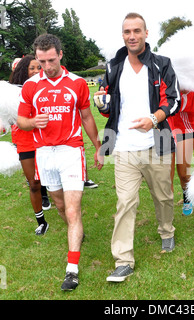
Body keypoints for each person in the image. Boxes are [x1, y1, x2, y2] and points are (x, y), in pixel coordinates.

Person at [95, 12, 181, 282]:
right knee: (125, 202)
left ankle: (167, 231)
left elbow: (175, 100)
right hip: (123, 147)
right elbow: (108, 106)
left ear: (146, 34)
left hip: (158, 143)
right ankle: (123, 259)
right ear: (123, 35)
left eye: (136, 31)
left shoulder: (161, 64)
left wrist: (154, 119)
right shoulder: (113, 66)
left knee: (164, 196)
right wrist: (101, 102)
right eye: (127, 32)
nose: (131, 36)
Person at [17, 34, 103, 290]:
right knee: (59, 204)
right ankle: (76, 232)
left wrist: (98, 146)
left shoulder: (76, 83)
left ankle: (72, 269)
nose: (47, 66)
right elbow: (21, 121)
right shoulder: (31, 85)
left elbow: (87, 117)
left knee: (73, 210)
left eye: (51, 60)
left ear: (60, 55)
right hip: (44, 153)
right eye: (41, 61)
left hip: (70, 151)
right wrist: (32, 123)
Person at [9, 55, 51, 235]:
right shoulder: (12, 91)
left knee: (52, 179)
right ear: (23, 70)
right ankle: (41, 221)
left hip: (45, 138)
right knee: (33, 183)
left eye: (38, 68)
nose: (36, 71)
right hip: (24, 140)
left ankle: (66, 210)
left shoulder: (45, 86)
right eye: (31, 68)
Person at [167, 91, 194, 216]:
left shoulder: (190, 82)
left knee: (184, 173)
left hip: (185, 129)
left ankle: (187, 197)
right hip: (164, 129)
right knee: (166, 177)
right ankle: (167, 213)